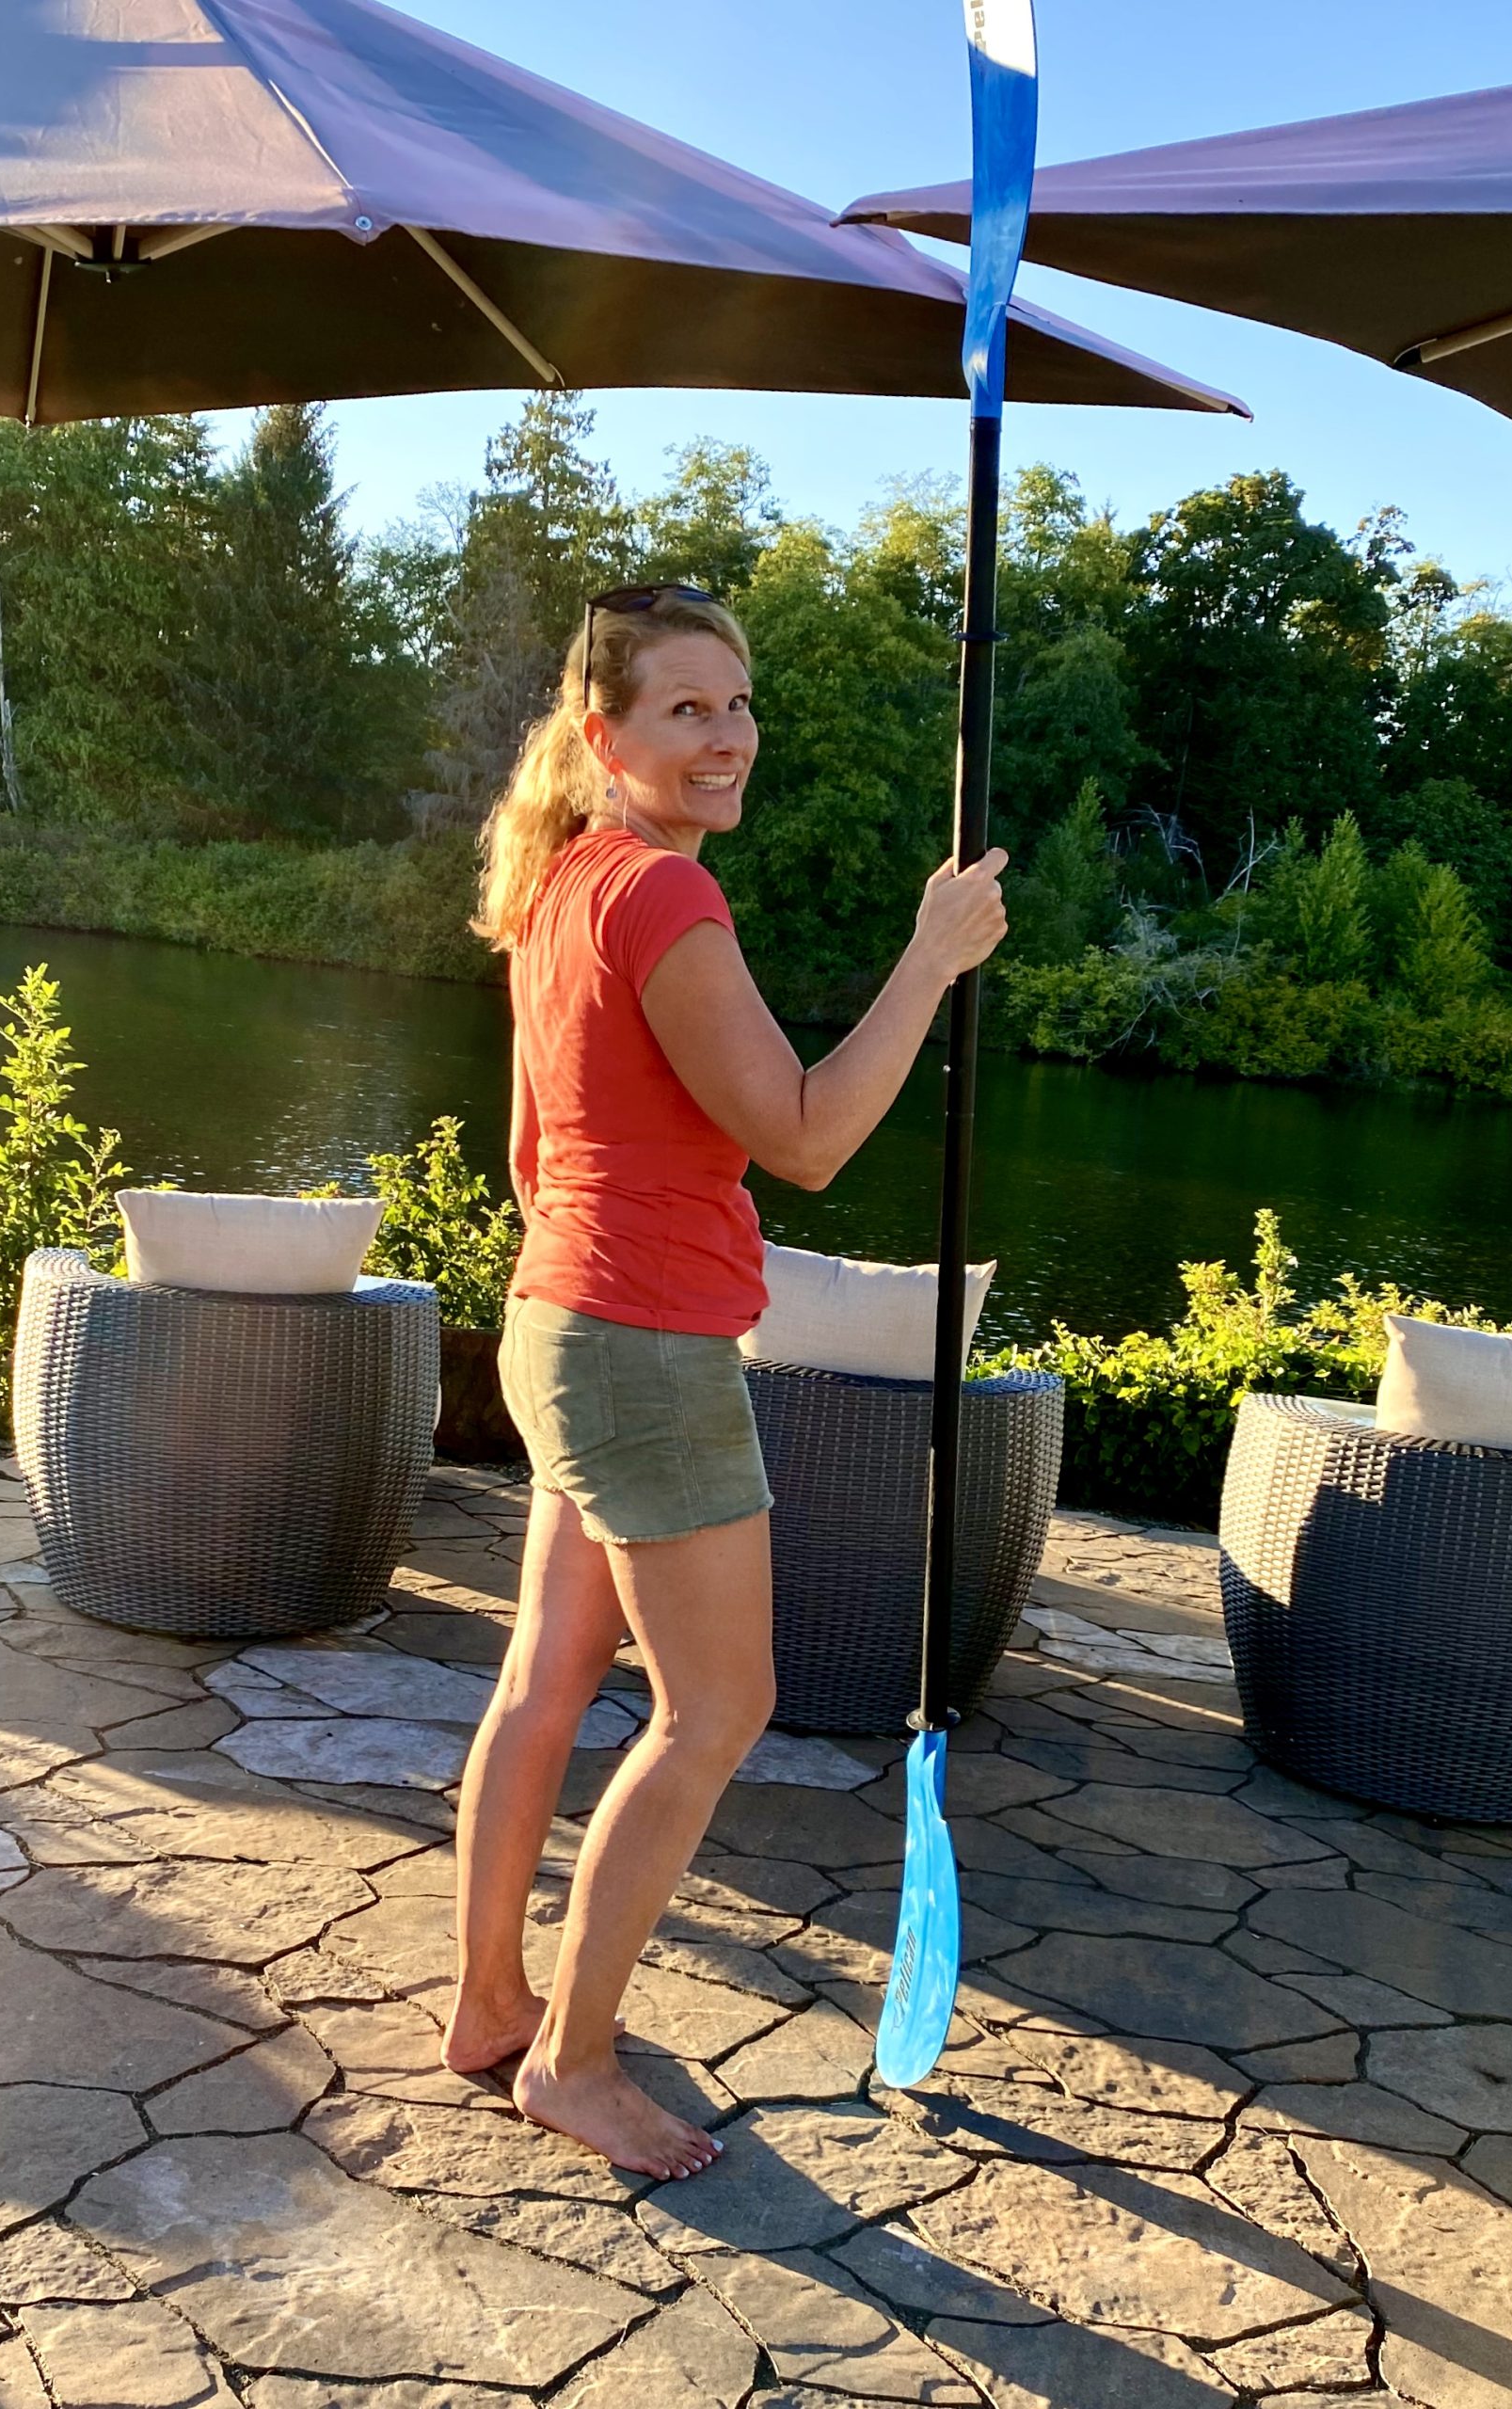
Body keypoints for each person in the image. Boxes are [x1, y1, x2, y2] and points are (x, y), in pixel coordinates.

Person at [443, 582, 1008, 2178]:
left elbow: (526, 1158)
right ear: (601, 734)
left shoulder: (564, 884)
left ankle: (490, 2004)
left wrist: (627, 1234)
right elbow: (813, 1138)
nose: (725, 736)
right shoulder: (666, 904)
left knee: (547, 1685)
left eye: (736, 704)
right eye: (685, 710)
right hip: (642, 1349)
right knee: (717, 1708)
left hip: (560, 1320)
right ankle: (568, 2058)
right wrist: (930, 958)